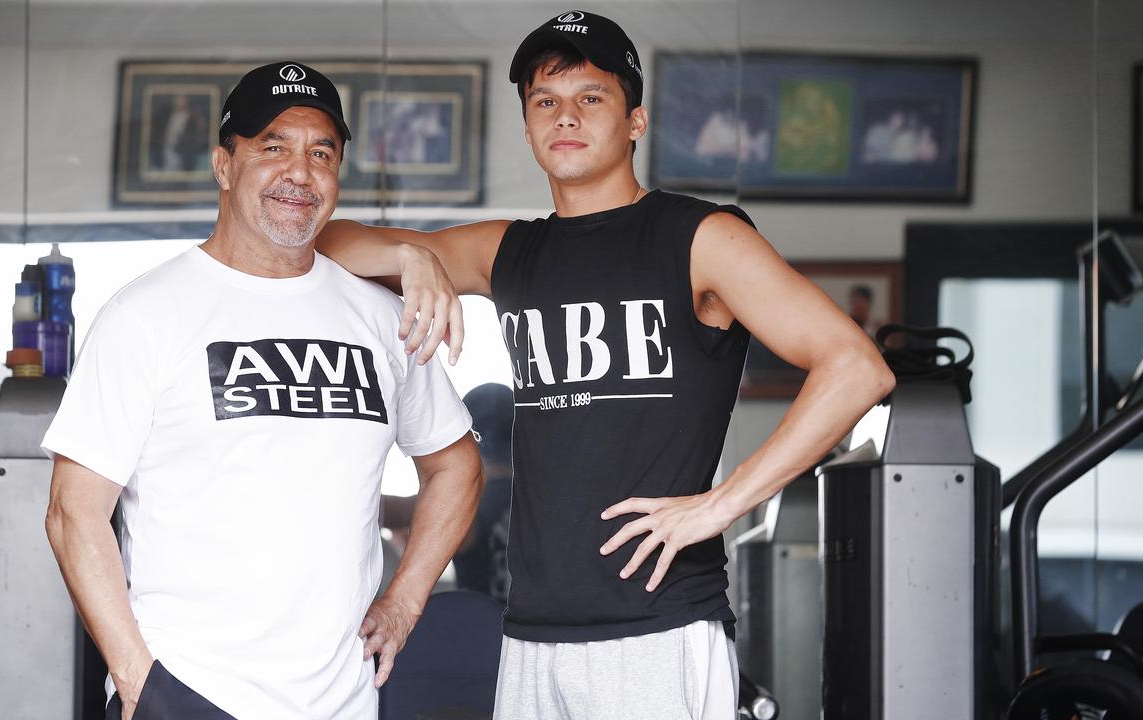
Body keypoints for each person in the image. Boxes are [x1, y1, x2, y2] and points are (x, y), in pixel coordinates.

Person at [317, 11, 895, 719]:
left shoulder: (701, 237)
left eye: (591, 97)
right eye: (546, 101)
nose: (566, 116)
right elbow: (331, 242)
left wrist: (720, 506)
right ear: (528, 128)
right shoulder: (511, 251)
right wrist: (411, 257)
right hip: (531, 633)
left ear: (636, 121)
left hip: (657, 631)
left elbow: (857, 368)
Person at [42, 60, 483, 720]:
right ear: (225, 166)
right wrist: (139, 682)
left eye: (320, 153)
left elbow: (456, 466)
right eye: (273, 146)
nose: (298, 173)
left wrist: (407, 597)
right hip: (186, 697)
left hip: (342, 706)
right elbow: (74, 514)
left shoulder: (382, 320)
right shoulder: (146, 314)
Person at [381, 382, 515, 603]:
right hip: (530, 634)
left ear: (469, 436)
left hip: (478, 630)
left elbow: (393, 511)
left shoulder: (464, 498)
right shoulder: (540, 498)